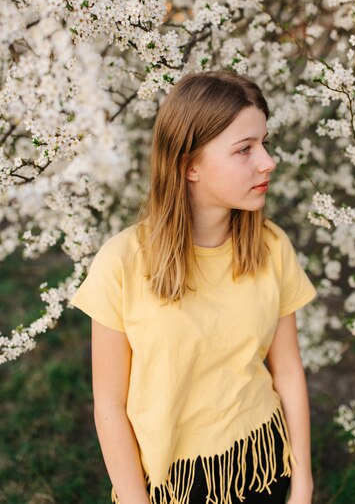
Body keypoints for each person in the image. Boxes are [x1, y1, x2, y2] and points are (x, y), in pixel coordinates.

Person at [70, 70, 317, 504]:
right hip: (173, 486)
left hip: (262, 465)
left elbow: (289, 371)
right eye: (244, 149)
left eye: (264, 142)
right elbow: (108, 406)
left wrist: (302, 483)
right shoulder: (122, 264)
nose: (267, 161)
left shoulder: (271, 248)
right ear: (190, 167)